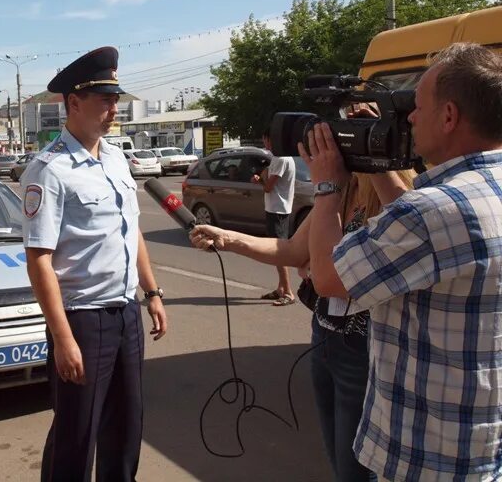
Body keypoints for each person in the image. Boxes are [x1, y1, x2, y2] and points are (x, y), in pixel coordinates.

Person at [305, 43, 502, 481]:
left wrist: (326, 188)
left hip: (428, 456)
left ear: (449, 116)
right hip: (479, 446)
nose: (408, 118)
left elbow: (328, 278)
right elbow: (419, 236)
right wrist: (374, 155)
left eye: (416, 106)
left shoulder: (435, 211)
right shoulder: (474, 195)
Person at [190, 162, 412, 481]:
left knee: (358, 471)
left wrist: (373, 165)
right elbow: (294, 249)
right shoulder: (340, 188)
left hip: (367, 349)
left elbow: (330, 279)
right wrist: (227, 238)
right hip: (325, 337)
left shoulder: (396, 195)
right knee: (340, 461)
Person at [22, 46, 168, 482]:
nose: (113, 109)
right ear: (73, 103)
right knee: (76, 435)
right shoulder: (49, 170)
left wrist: (153, 292)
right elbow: (39, 261)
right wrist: (63, 338)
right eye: (104, 100)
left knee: (126, 431)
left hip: (126, 314)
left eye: (115, 99)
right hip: (83, 320)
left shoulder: (117, 159)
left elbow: (132, 231)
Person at [252, 129, 297, 306]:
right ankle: (280, 288)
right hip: (279, 208)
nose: (265, 143)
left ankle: (288, 292)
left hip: (277, 210)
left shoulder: (280, 159)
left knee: (279, 253)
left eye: (265, 139)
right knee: (278, 250)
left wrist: (259, 181)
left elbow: (269, 187)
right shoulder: (283, 158)